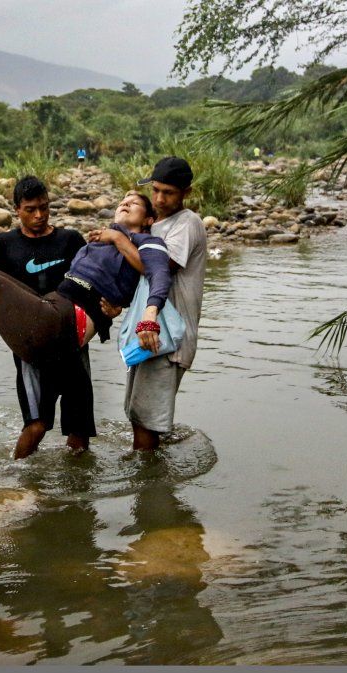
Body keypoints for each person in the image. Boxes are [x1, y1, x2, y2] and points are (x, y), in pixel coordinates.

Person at [0, 192, 173, 459]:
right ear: (17, 210)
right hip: (49, 311)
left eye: (134, 203)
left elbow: (159, 275)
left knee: (77, 426)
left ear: (149, 219)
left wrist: (147, 314)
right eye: (122, 202)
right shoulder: (98, 241)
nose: (125, 204)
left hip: (64, 321)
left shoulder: (146, 243)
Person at [0, 176, 91, 457]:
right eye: (31, 209)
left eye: (44, 207)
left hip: (72, 342)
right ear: (16, 209)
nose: (39, 215)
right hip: (30, 346)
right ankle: (15, 480)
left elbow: (91, 284)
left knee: (79, 429)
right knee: (36, 425)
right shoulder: (4, 244)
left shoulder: (71, 240)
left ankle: (78, 492)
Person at [115, 156, 206, 453]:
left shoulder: (187, 224)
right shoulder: (155, 223)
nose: (159, 199)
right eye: (155, 190)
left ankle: (149, 487)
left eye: (168, 192)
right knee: (139, 413)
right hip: (150, 333)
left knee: (147, 420)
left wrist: (118, 240)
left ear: (186, 193)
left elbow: (159, 269)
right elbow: (138, 280)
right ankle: (149, 474)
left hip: (170, 337)